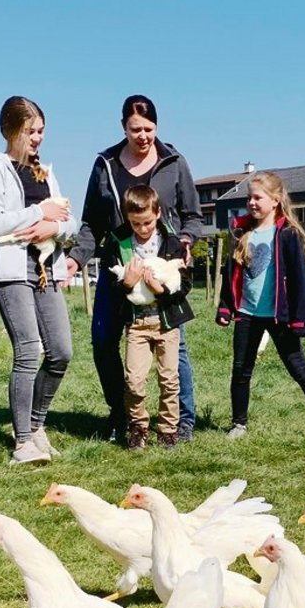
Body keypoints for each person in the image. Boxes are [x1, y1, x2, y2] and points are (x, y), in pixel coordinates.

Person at [66, 95, 202, 444]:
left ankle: (182, 421)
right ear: (123, 126)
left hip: (162, 272)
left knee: (175, 349)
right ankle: (123, 415)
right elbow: (91, 222)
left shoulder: (174, 161)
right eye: (135, 129)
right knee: (102, 342)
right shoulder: (105, 164)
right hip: (120, 271)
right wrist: (76, 258)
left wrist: (184, 243)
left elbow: (192, 215)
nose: (143, 136)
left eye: (149, 129)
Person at [0, 96, 78, 466]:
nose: (37, 138)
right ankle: (22, 443)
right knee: (28, 350)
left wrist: (55, 226)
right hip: (11, 271)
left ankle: (36, 426)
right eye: (30, 131)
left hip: (46, 269)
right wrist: (39, 212)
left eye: (41, 131)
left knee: (61, 352)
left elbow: (70, 221)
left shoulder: (45, 172)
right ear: (11, 130)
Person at [215, 171, 305, 443]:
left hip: (279, 316)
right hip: (247, 313)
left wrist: (300, 320)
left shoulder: (287, 234)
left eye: (258, 197)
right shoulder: (241, 231)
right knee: (241, 370)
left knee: (299, 368)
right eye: (249, 198)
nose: (251, 203)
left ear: (275, 200)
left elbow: (301, 280)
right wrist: (225, 308)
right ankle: (239, 424)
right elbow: (230, 272)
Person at [103, 185, 193, 449]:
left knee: (169, 378)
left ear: (158, 214)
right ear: (127, 218)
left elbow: (184, 286)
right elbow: (112, 287)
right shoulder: (119, 243)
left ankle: (168, 429)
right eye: (135, 223)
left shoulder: (172, 243)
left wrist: (160, 290)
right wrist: (126, 284)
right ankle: (138, 427)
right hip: (137, 324)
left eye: (147, 223)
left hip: (167, 324)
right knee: (134, 379)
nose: (142, 229)